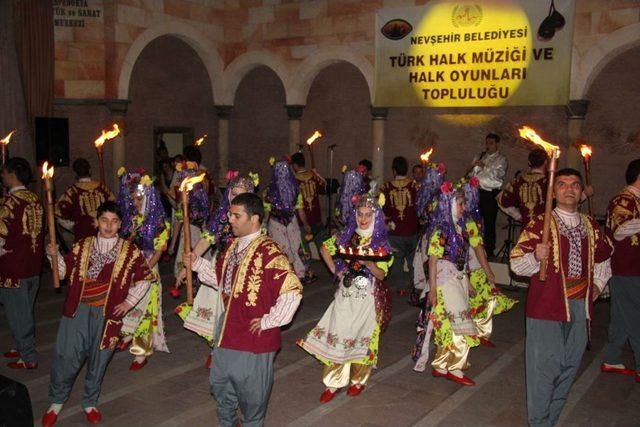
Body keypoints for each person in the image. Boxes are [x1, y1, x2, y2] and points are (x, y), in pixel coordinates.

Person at [187, 192, 302, 427]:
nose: (230, 219)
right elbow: (222, 280)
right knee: (221, 389)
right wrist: (197, 263)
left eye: (236, 216)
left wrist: (269, 321)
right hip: (226, 332)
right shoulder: (232, 248)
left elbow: (293, 290)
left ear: (254, 219)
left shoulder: (270, 252)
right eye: (230, 214)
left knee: (252, 399)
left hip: (254, 340)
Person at [510, 168, 613, 427]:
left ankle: (550, 421)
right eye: (563, 184)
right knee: (544, 371)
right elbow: (516, 264)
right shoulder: (539, 224)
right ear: (553, 192)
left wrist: (598, 286)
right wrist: (535, 256)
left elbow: (605, 256)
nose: (569, 189)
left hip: (580, 307)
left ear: (581, 193)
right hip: (547, 307)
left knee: (568, 369)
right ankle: (539, 422)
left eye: (575, 185)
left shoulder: (591, 225)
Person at [41, 201, 153, 426]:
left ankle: (90, 401)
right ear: (96, 222)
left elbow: (146, 280)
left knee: (99, 359)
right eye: (104, 220)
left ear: (120, 224)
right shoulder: (82, 245)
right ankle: (56, 401)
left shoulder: (130, 250)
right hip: (77, 310)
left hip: (108, 314)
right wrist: (54, 256)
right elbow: (62, 273)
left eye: (114, 221)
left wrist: (128, 303)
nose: (109, 226)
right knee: (66, 356)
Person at [299, 193, 392, 402]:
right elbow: (324, 248)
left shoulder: (380, 242)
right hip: (346, 293)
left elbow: (382, 274)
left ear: (375, 216)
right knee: (339, 333)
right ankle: (333, 383)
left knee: (363, 336)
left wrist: (370, 264)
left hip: (368, 296)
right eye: (360, 214)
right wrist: (335, 270)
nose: (364, 219)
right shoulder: (347, 235)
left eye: (368, 215)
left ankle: (358, 380)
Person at [175, 172, 257, 368]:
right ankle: (217, 349)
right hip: (218, 267)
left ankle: (236, 351)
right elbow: (206, 240)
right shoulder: (222, 217)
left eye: (241, 194)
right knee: (217, 314)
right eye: (233, 193)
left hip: (242, 271)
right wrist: (189, 266)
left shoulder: (254, 220)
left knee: (237, 315)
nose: (235, 198)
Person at [115, 169, 170, 370]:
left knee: (146, 311)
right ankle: (127, 334)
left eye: (139, 199)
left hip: (148, 271)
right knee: (128, 304)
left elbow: (157, 252)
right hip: (131, 269)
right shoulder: (131, 220)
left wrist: (144, 270)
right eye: (133, 200)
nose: (136, 203)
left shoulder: (159, 223)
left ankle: (141, 353)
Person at [426, 182, 479, 386]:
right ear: (448, 204)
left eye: (464, 203)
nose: (464, 207)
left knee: (451, 324)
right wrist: (432, 289)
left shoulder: (460, 228)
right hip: (445, 281)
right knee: (460, 324)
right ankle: (456, 367)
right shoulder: (441, 230)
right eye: (460, 203)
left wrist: (467, 281)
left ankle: (441, 364)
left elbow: (462, 259)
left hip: (457, 279)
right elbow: (432, 260)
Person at [0, 157, 44, 369]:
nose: (2, 176)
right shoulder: (35, 198)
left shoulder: (10, 202)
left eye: (4, 172)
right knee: (22, 310)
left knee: (19, 313)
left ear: (11, 175)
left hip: (13, 267)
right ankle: (20, 345)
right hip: (33, 265)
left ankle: (28, 357)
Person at [463, 177, 517, 348]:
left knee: (480, 302)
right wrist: (488, 271)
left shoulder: (463, 218)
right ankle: (473, 334)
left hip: (468, 268)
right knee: (481, 302)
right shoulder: (470, 221)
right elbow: (478, 249)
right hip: (473, 269)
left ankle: (478, 333)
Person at [601, 158, 640, 382]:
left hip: (632, 268)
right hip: (626, 269)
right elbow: (619, 230)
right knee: (635, 316)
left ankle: (612, 358)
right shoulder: (623, 200)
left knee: (622, 315)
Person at [264, 158, 314, 283]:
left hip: (280, 222)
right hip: (285, 222)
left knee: (292, 248)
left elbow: (267, 211)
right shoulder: (294, 190)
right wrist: (306, 224)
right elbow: (300, 210)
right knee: (289, 249)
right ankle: (293, 275)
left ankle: (294, 275)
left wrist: (265, 224)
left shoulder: (269, 191)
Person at [380, 156, 419, 296]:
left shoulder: (385, 187)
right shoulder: (415, 186)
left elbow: (381, 210)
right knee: (413, 261)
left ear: (394, 170)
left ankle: (401, 288)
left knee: (397, 262)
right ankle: (416, 287)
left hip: (395, 232)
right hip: (411, 230)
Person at [56, 157, 115, 242]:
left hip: (82, 237)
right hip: (104, 236)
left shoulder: (71, 192)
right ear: (90, 171)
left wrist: (75, 226)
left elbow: (59, 214)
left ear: (75, 174)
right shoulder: (103, 189)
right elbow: (115, 209)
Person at [469, 133, 508, 257]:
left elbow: (499, 175)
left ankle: (489, 251)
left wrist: (484, 166)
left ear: (497, 144)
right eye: (487, 143)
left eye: (491, 143)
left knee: (489, 222)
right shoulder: (479, 156)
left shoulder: (502, 159)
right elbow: (471, 175)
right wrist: (473, 171)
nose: (488, 146)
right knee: (473, 221)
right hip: (476, 192)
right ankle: (474, 248)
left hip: (490, 194)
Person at [497, 148, 548, 224]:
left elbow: (501, 200)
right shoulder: (551, 182)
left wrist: (518, 216)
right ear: (546, 162)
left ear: (529, 163)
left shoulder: (517, 181)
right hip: (547, 230)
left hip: (526, 230)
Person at [291, 152, 327, 260]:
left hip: (302, 220)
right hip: (316, 217)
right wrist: (317, 175)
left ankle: (308, 273)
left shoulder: (293, 180)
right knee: (323, 246)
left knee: (304, 248)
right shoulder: (313, 176)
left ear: (294, 165)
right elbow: (324, 187)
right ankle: (334, 267)